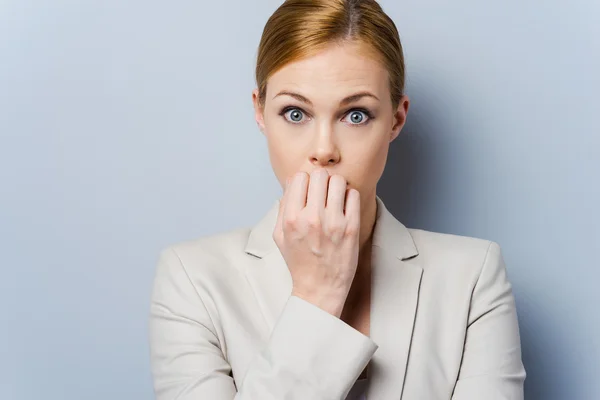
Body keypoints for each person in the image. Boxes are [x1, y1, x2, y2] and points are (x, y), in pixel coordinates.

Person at [148, 0, 526, 399]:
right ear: (259, 112)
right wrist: (316, 297)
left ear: (396, 120)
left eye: (356, 115)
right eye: (295, 113)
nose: (324, 150)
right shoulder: (192, 279)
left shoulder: (472, 276)